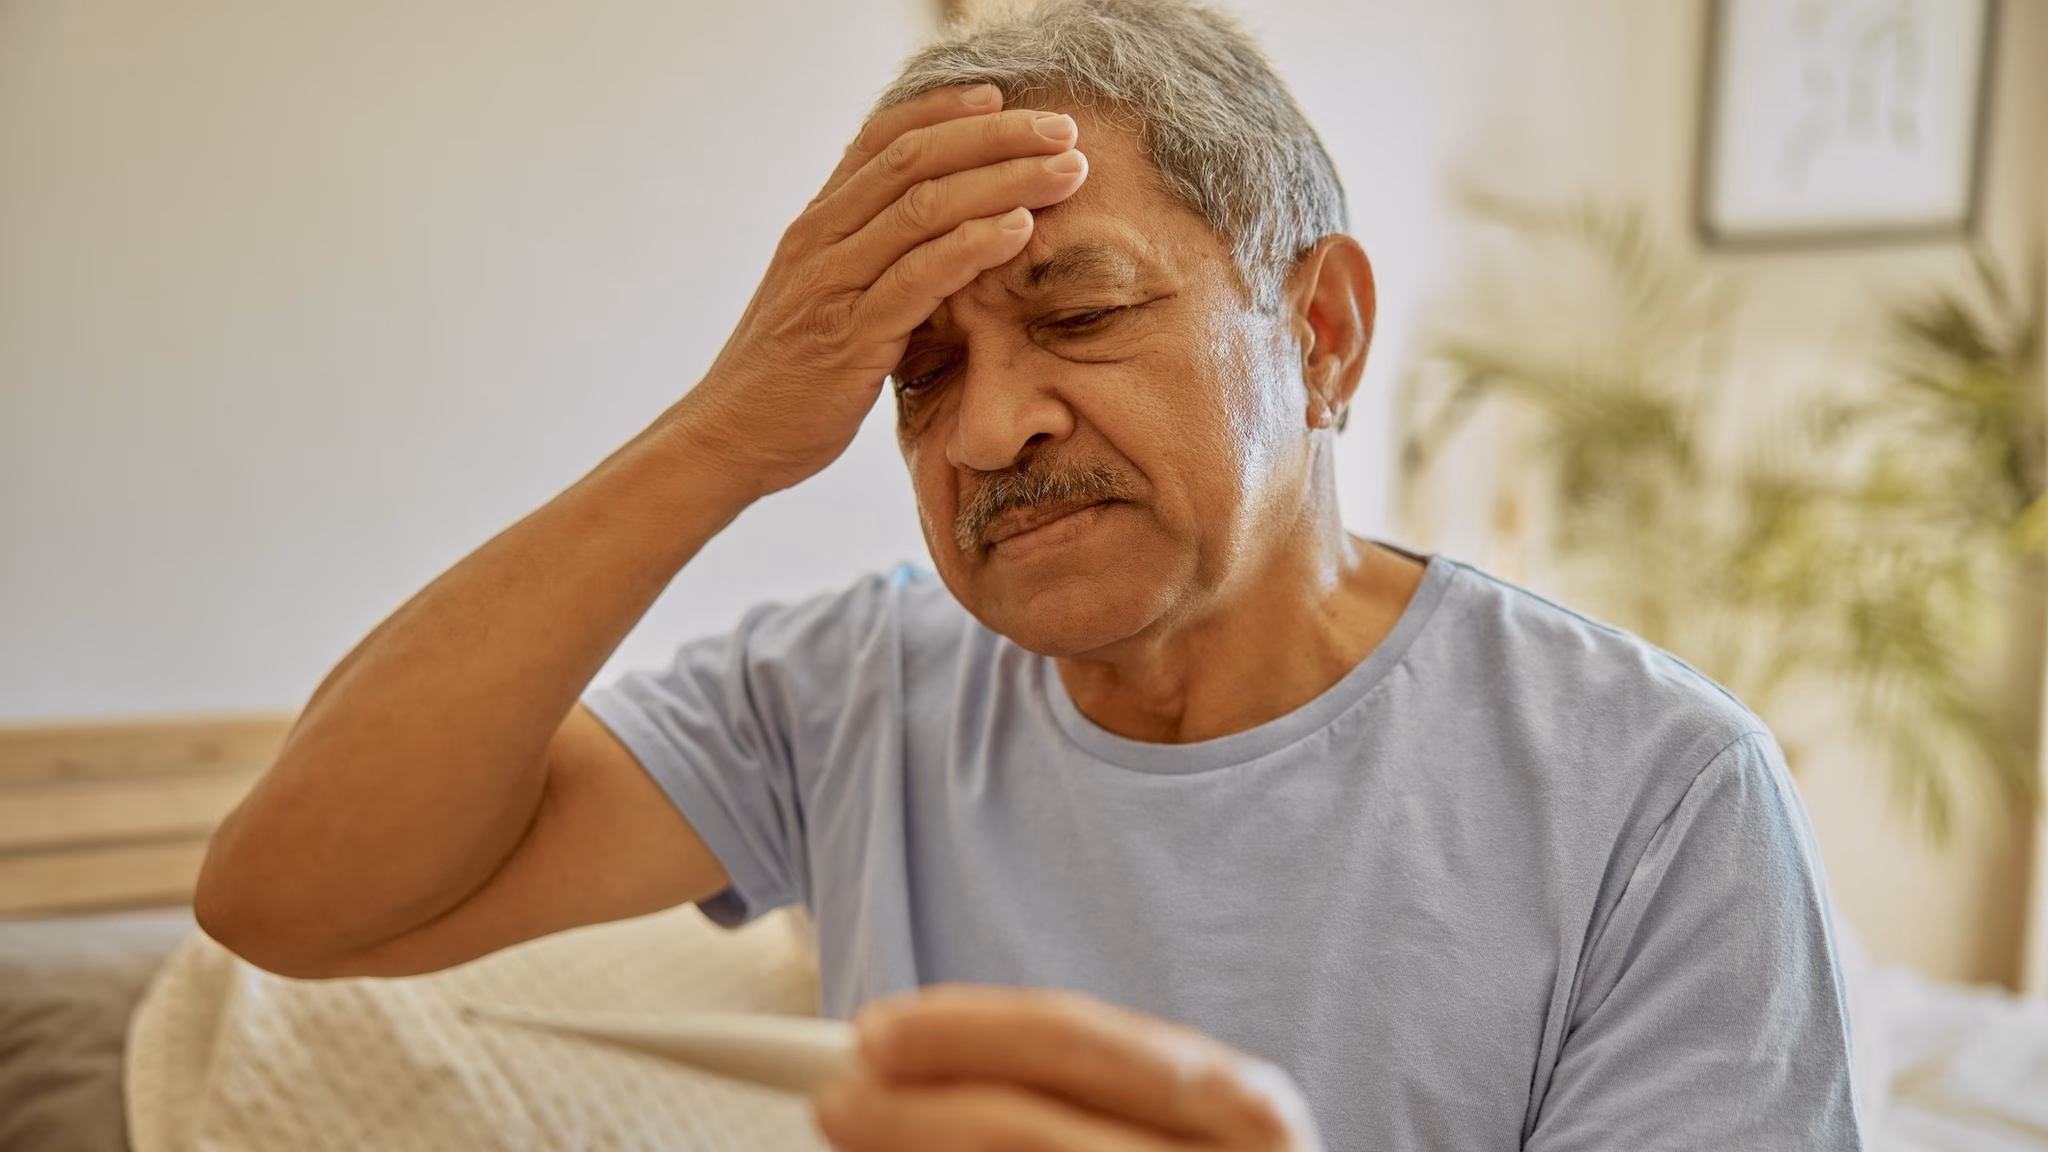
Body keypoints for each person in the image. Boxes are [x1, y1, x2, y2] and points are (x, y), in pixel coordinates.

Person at [195, 1, 1864, 1148]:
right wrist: (723, 433)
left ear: (1323, 329)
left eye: (1078, 315)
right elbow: (290, 900)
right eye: (917, 369)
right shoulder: (849, 696)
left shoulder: (1659, 793)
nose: (988, 424)